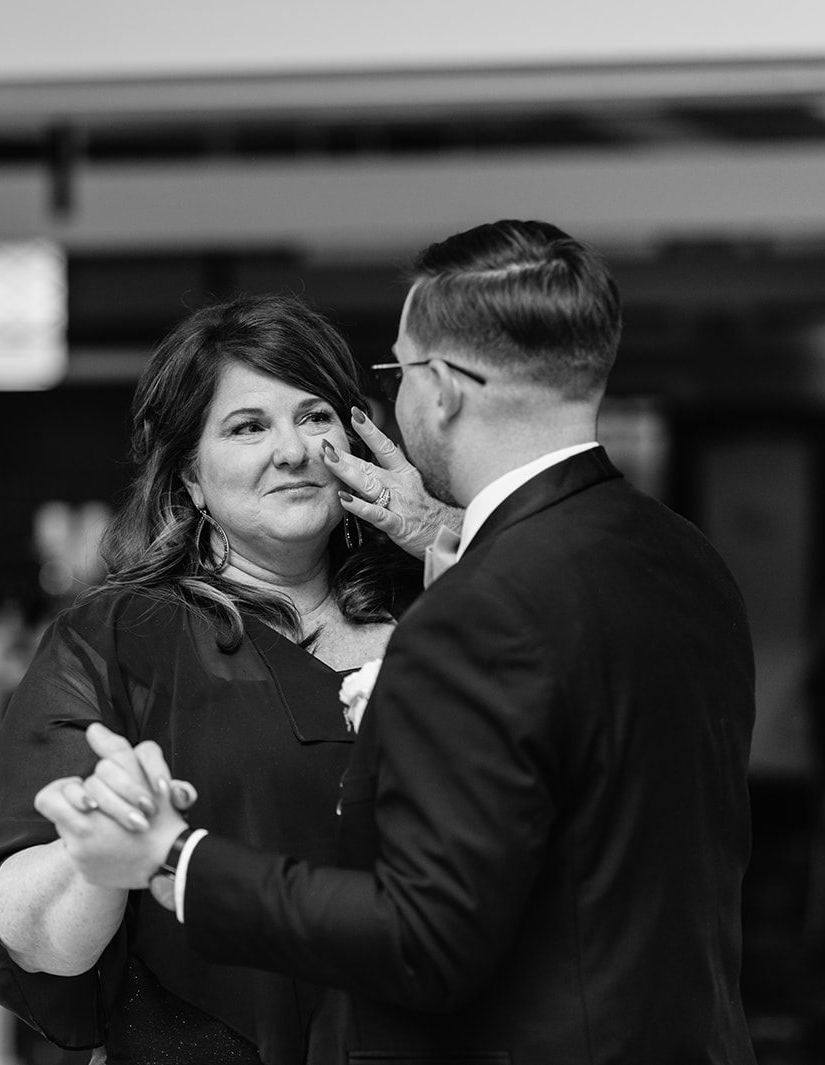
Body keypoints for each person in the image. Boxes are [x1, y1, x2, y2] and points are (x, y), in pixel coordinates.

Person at [43, 221, 759, 1064]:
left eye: (397, 371)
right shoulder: (686, 559)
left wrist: (176, 856)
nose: (300, 446)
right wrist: (436, 532)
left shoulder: (472, 610)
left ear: (445, 388)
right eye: (247, 428)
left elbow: (425, 933)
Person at [0, 293, 452, 1065]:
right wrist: (95, 857)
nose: (293, 449)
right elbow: (31, 938)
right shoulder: (120, 640)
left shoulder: (446, 608)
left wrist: (442, 540)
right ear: (189, 476)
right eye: (249, 426)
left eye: (315, 416)